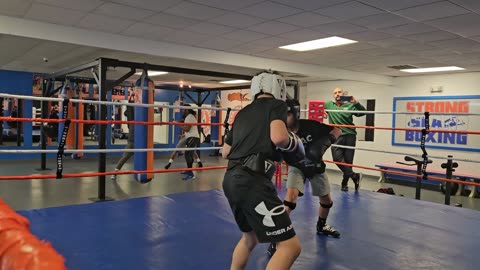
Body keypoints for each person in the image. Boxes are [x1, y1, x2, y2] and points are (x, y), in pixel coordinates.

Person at [222, 71, 306, 270]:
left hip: (231, 179)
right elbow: (279, 138)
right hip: (252, 181)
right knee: (289, 247)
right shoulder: (277, 105)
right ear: (279, 88)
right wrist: (295, 142)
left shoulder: (243, 112)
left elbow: (225, 151)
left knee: (249, 238)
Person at [267, 99, 342, 257]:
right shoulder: (281, 131)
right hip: (297, 166)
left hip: (315, 166)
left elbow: (337, 130)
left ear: (294, 113)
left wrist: (322, 145)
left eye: (287, 114)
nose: (284, 117)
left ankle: (321, 226)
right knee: (290, 198)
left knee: (327, 201)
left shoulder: (310, 125)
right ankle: (277, 237)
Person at [325, 87, 366, 192]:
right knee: (337, 159)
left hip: (350, 135)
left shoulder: (349, 105)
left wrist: (356, 103)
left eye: (339, 92)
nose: (337, 94)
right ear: (333, 95)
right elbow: (318, 108)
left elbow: (363, 113)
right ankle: (354, 176)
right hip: (336, 135)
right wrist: (322, 112)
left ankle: (344, 183)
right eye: (335, 93)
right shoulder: (329, 105)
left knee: (348, 161)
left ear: (343, 94)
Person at [111, 91, 135, 180]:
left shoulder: (139, 118)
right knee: (124, 157)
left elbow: (127, 111)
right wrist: (132, 97)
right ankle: (114, 173)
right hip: (132, 142)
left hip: (140, 141)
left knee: (146, 157)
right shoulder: (132, 119)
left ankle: (149, 173)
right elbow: (128, 110)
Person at [175, 104, 202, 181]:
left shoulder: (190, 117)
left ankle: (191, 174)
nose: (182, 111)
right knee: (189, 154)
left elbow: (187, 129)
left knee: (188, 154)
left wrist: (178, 124)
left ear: (187, 110)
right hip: (191, 137)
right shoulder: (188, 117)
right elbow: (188, 130)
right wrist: (183, 135)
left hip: (193, 137)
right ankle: (189, 170)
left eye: (183, 109)